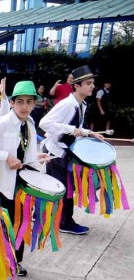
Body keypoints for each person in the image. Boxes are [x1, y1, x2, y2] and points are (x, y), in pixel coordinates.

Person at [0, 81, 50, 276]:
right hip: (3, 185)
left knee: (21, 223)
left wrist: (35, 157)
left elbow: (24, 150)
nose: (24, 107)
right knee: (2, 226)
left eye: (29, 102)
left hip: (23, 184)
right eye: (20, 101)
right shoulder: (3, 122)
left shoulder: (29, 124)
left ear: (34, 104)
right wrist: (5, 156)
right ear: (12, 103)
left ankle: (14, 261)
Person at [40, 65, 105, 235]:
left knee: (58, 187)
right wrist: (71, 130)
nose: (92, 86)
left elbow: (76, 128)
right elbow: (44, 123)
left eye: (93, 83)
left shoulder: (81, 104)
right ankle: (65, 222)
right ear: (76, 85)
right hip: (56, 152)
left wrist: (89, 133)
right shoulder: (68, 104)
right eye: (88, 83)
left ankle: (41, 215)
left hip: (63, 151)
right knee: (65, 188)